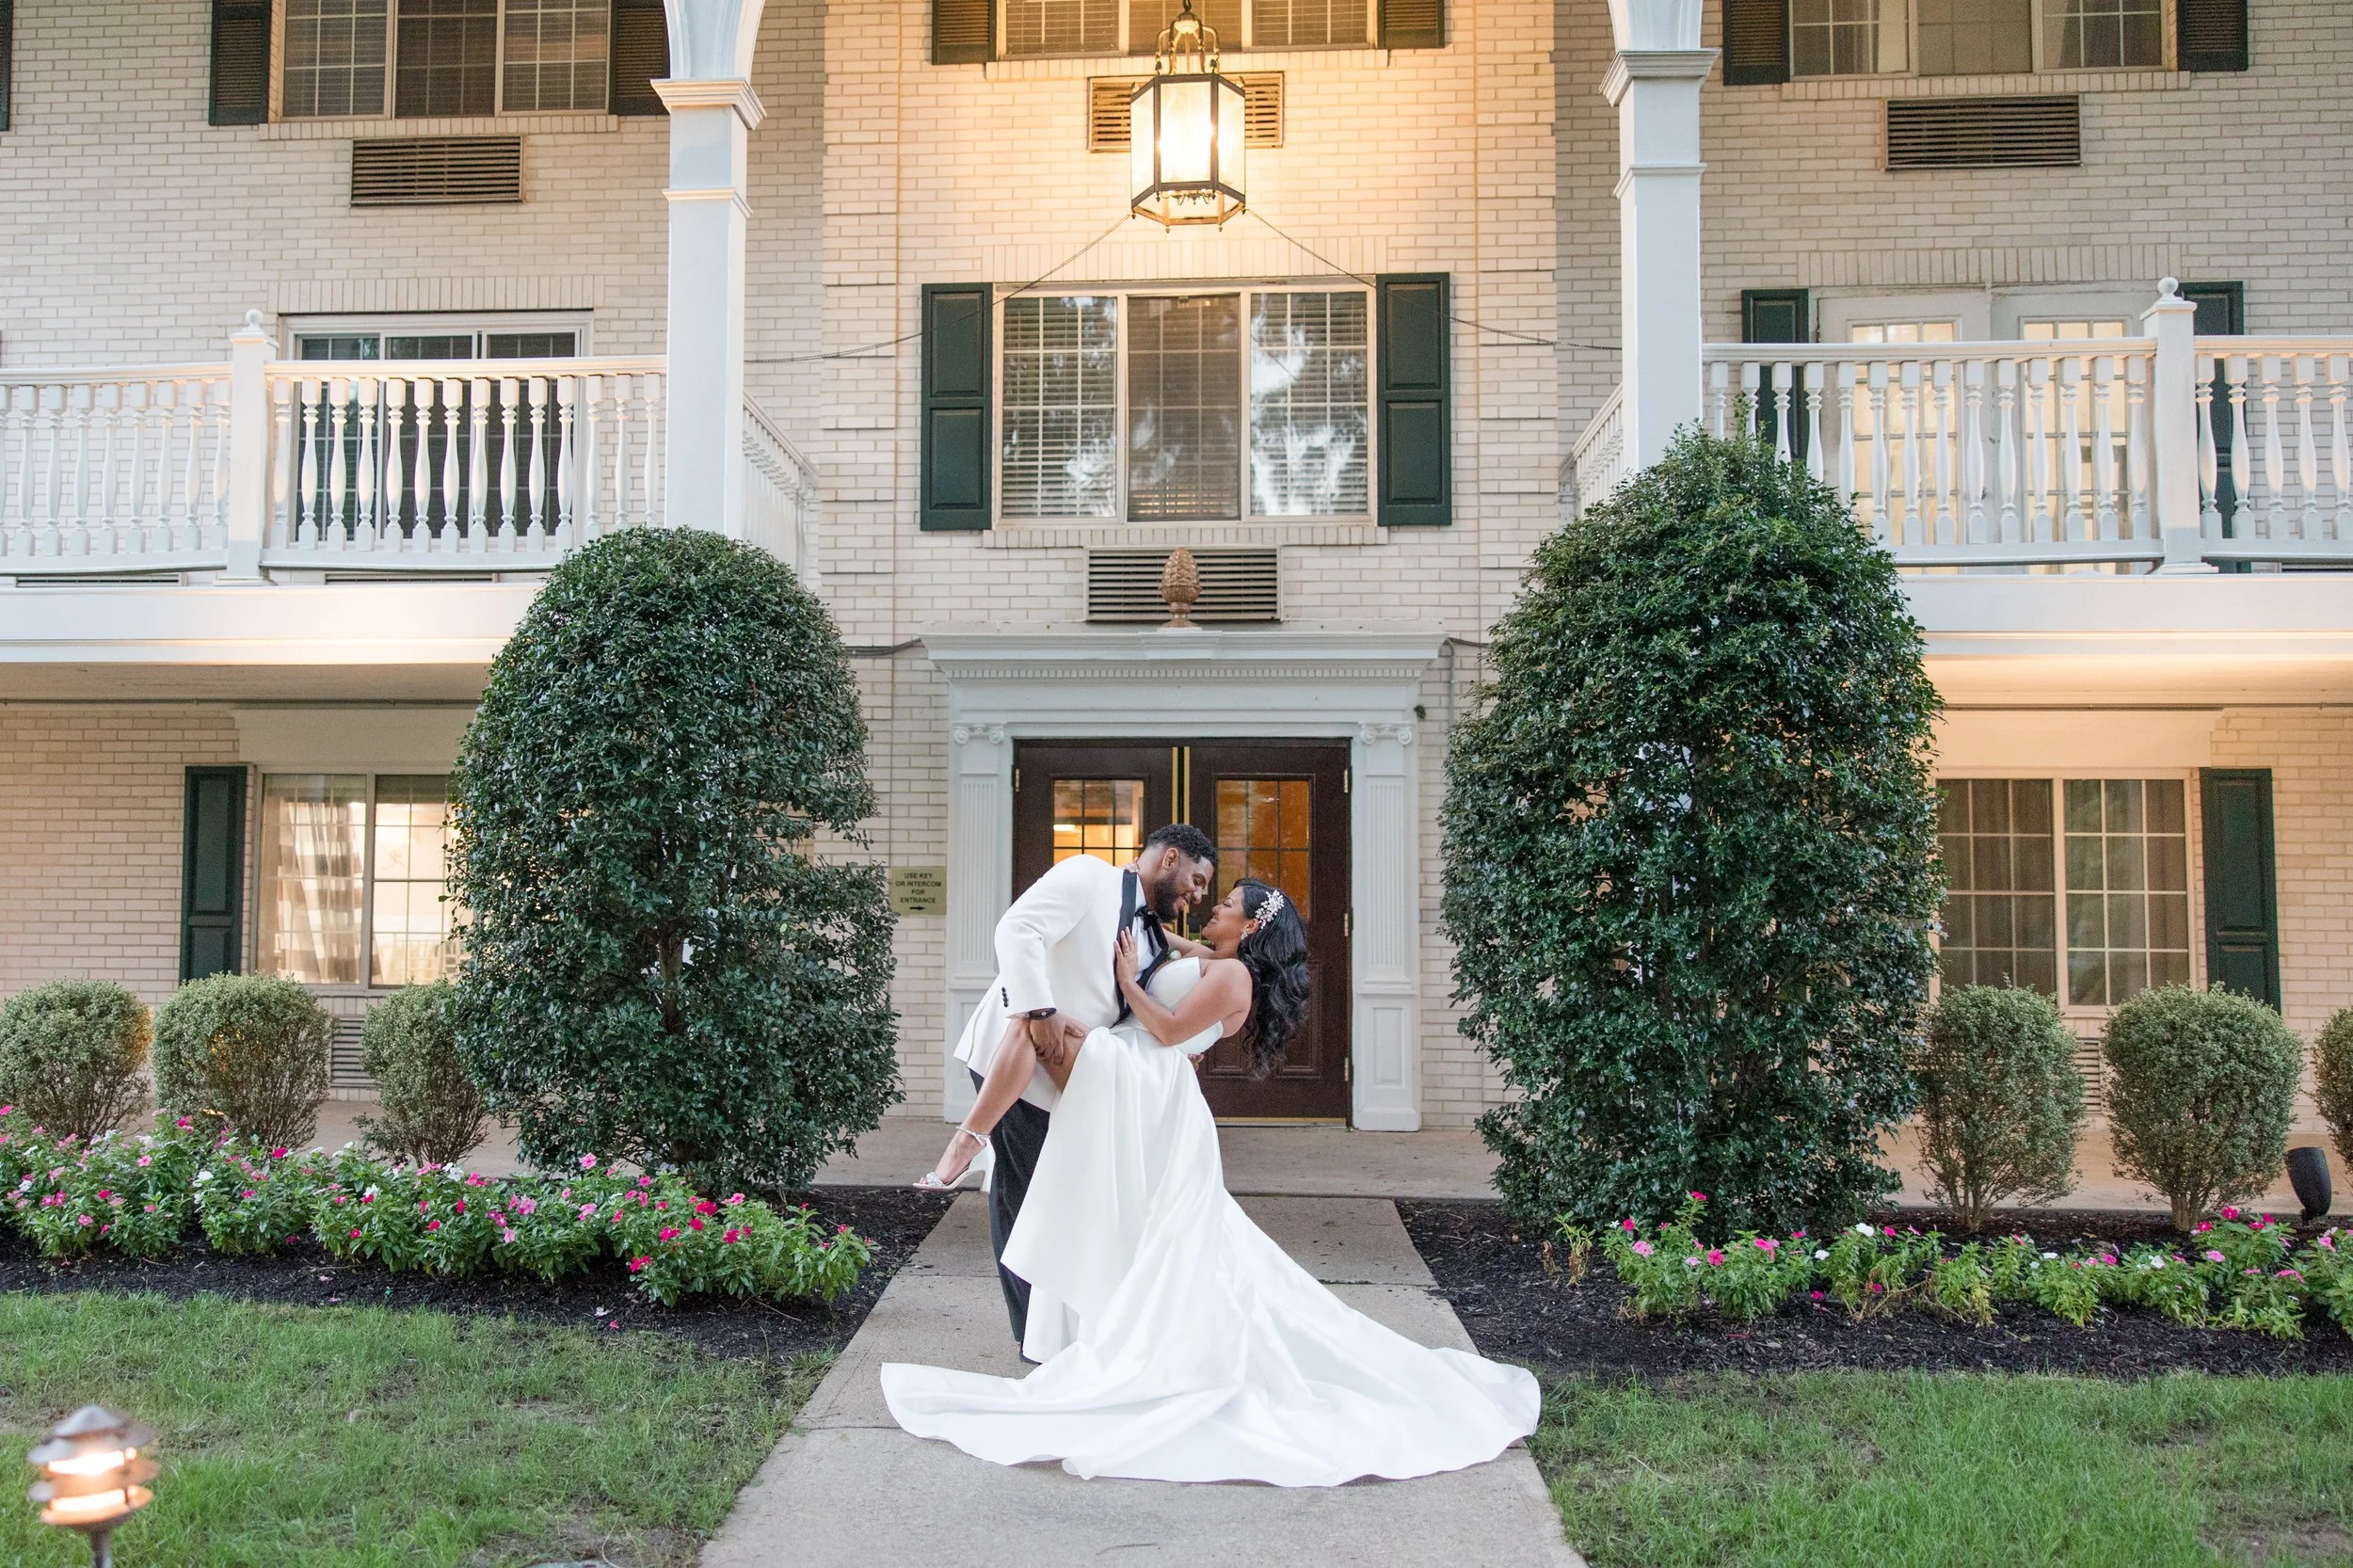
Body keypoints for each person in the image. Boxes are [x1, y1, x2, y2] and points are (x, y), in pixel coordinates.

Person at [881, 879, 1543, 1488]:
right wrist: (1141, 923)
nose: (1211, 907)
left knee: (1034, 1027)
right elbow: (1168, 942)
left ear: (1252, 923)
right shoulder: (1217, 958)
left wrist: (1124, 982)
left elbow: (1168, 1030)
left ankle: (967, 1144)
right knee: (1124, 1199)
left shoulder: (1232, 977)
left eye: (1225, 902)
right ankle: (990, 1174)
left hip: (1148, 1080)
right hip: (1135, 1075)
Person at [920, 823, 1217, 1348]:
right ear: (1170, 858)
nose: (1198, 894)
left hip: (1067, 1079)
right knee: (1026, 1197)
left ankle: (1053, 1333)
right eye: (1197, 879)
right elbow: (1017, 930)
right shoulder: (1087, 875)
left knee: (1053, 1200)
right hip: (1012, 1062)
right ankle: (1032, 1338)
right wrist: (1039, 1010)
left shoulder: (1150, 932)